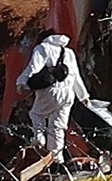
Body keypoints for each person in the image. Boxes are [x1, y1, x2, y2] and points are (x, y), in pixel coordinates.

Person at [15, 30, 90, 163]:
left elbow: (34, 67)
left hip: (51, 91)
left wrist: (21, 82)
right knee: (58, 126)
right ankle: (56, 159)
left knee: (36, 114)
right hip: (68, 93)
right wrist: (83, 96)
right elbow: (76, 76)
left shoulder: (43, 48)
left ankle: (39, 139)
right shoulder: (69, 52)